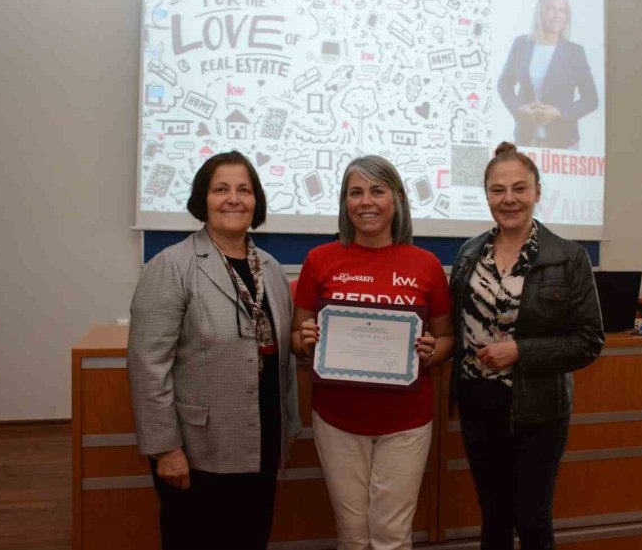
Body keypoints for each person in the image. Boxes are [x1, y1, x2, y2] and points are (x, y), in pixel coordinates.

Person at [127, 151, 302, 550]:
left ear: (256, 200)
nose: (233, 199)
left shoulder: (272, 269)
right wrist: (165, 449)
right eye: (220, 189)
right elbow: (147, 366)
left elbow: (278, 354)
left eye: (244, 189)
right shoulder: (172, 266)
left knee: (251, 538)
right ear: (202, 199)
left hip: (260, 440)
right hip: (198, 449)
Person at [292, 155, 454, 550]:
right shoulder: (319, 260)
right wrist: (306, 339)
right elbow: (297, 337)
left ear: (397, 199)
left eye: (377, 191)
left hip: (407, 421)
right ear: (345, 203)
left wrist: (432, 351)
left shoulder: (427, 264)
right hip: (337, 418)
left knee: (392, 534)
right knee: (352, 532)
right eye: (355, 192)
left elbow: (447, 338)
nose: (366, 202)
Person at [449, 142, 604, 549]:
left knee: (533, 518)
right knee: (494, 516)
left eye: (520, 188)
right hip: (478, 405)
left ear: (538, 191)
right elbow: (455, 324)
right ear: (486, 196)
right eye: (498, 190)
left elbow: (589, 340)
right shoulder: (468, 254)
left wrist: (521, 351)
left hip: (537, 407)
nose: (509, 199)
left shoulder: (568, 257)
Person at [498, 0, 599, 150]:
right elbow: (504, 84)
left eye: (562, 10)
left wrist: (559, 113)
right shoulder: (521, 44)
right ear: (541, 11)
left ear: (567, 16)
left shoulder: (574, 52)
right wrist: (518, 108)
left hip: (564, 142)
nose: (556, 15)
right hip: (526, 139)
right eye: (551, 8)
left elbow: (591, 99)